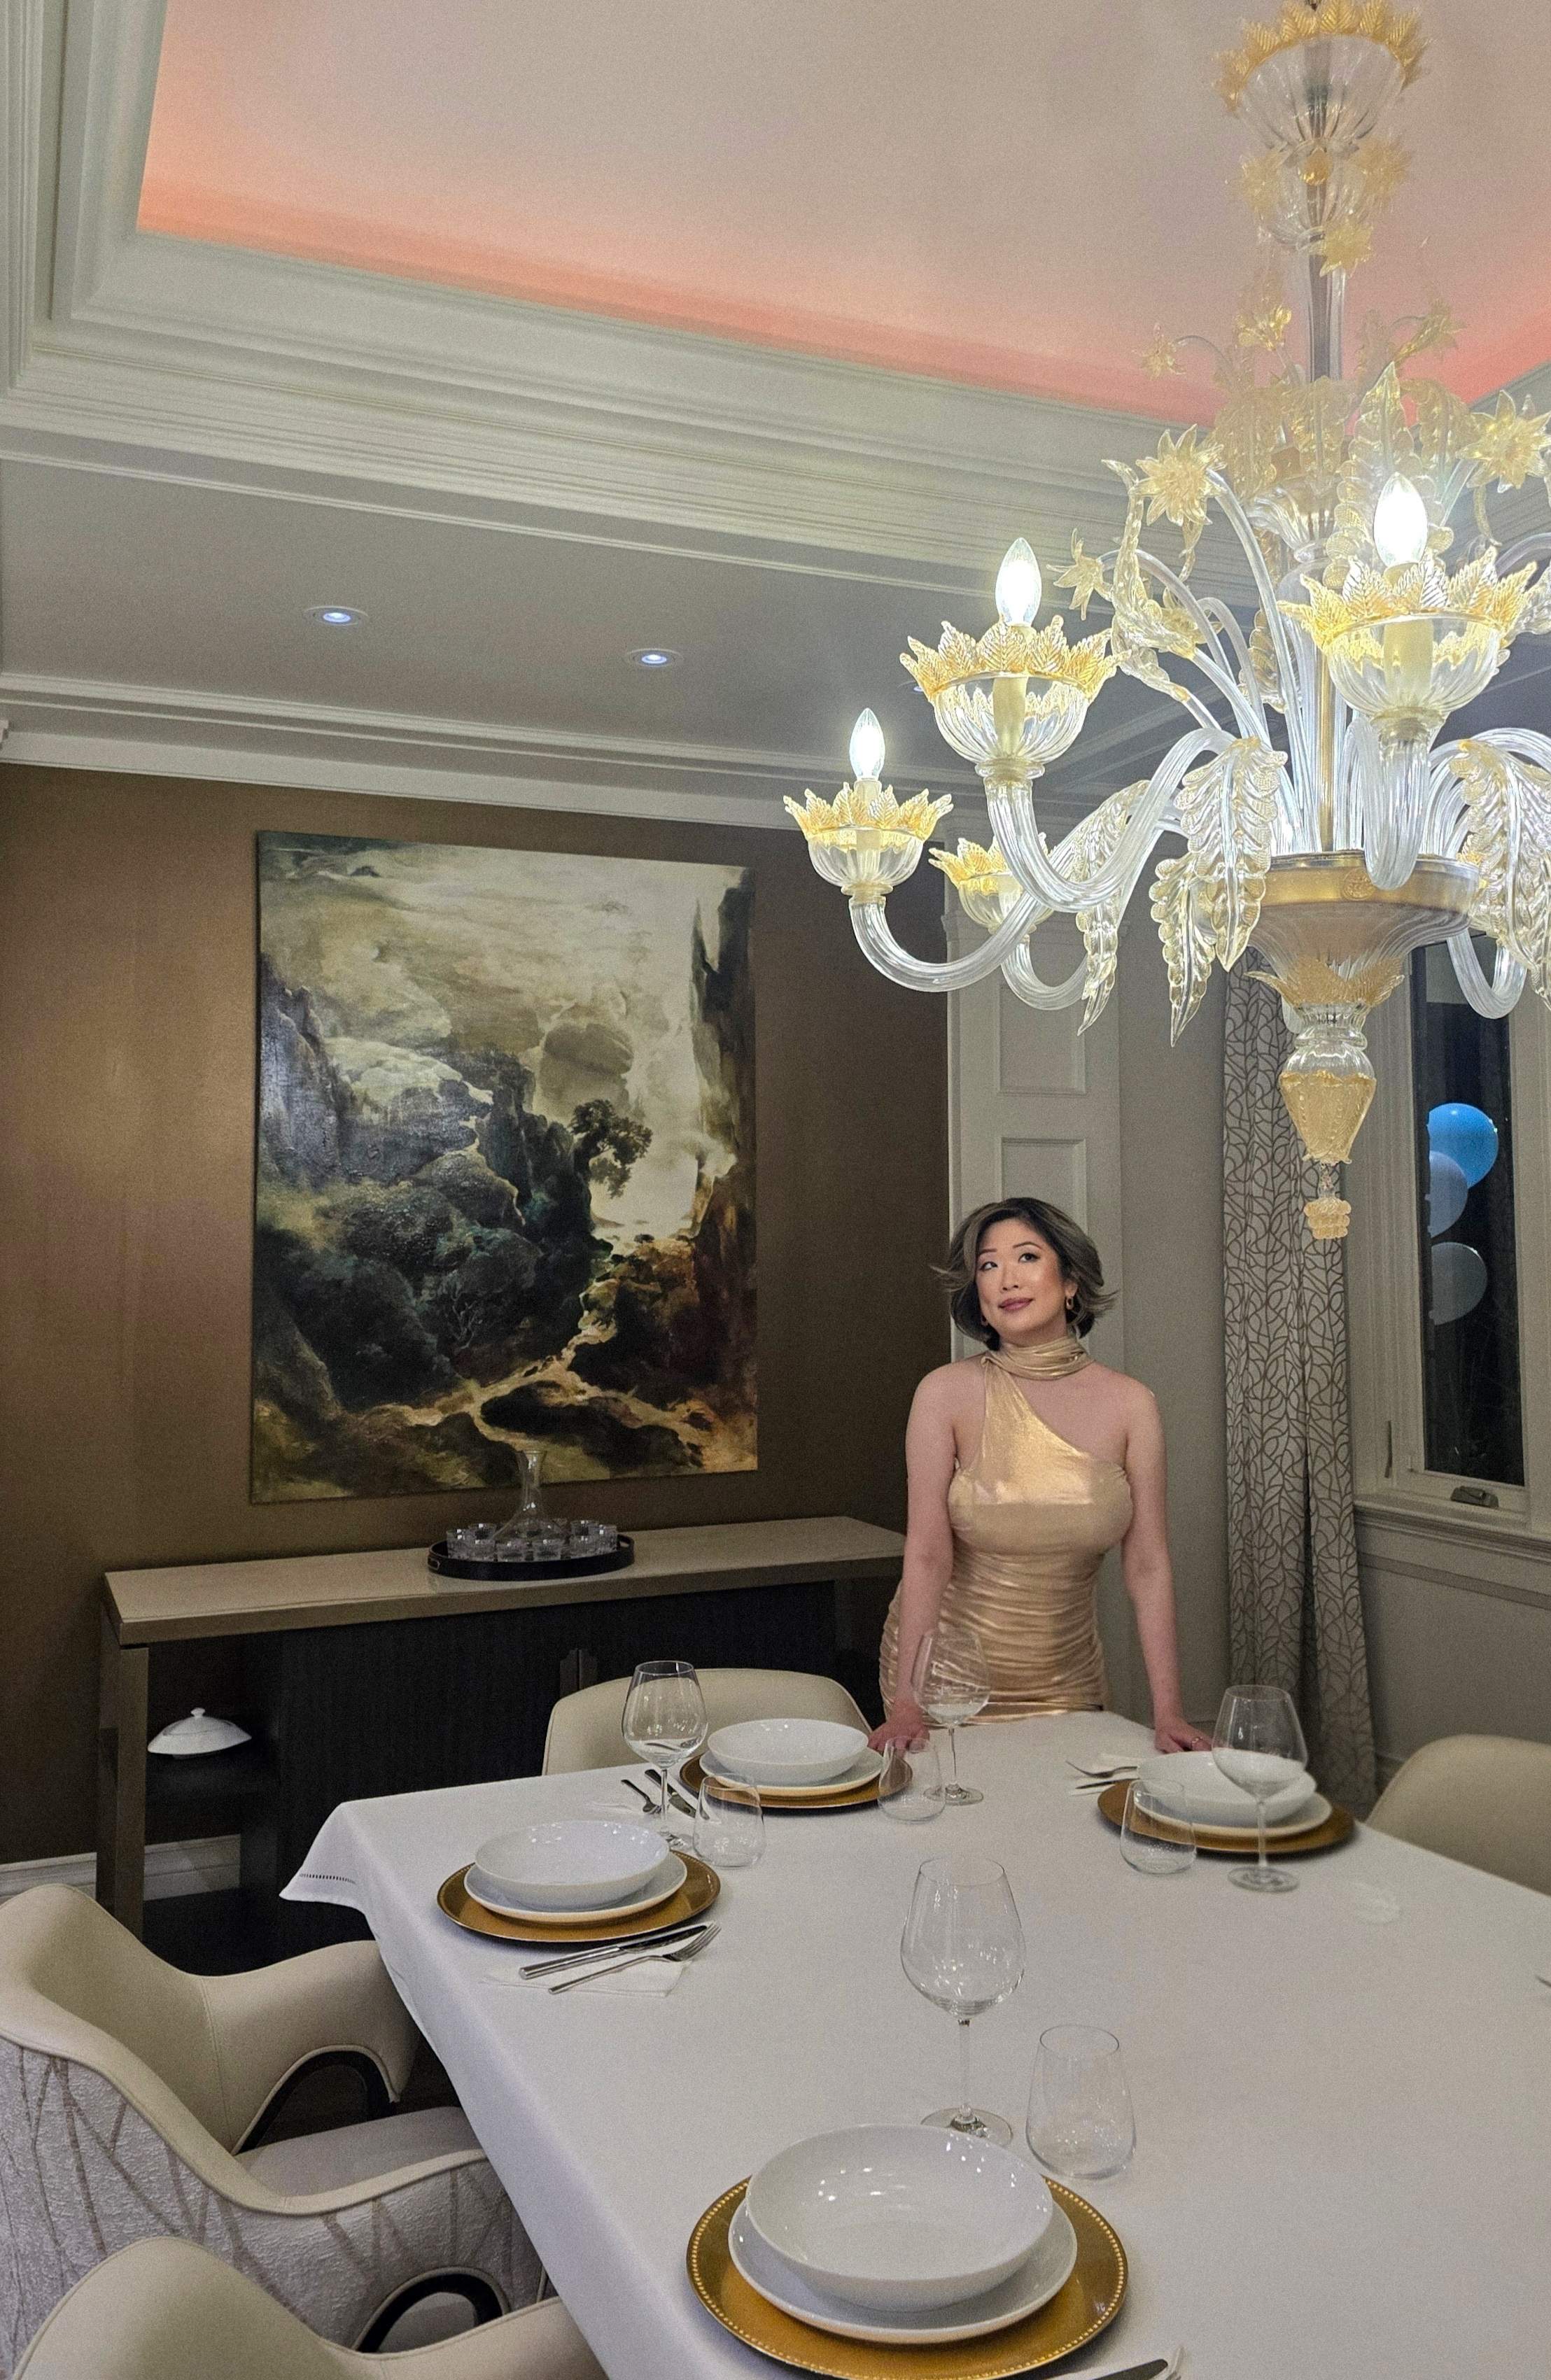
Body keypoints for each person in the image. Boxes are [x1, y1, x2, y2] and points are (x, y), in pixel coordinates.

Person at [873, 1196, 1207, 1754]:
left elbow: (1147, 1563)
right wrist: (909, 1700)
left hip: (1068, 1683)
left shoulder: (1132, 1406)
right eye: (988, 1264)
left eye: (1027, 1257)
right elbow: (929, 1554)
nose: (1006, 1278)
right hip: (946, 1686)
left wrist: (1168, 1711)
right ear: (977, 1292)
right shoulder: (945, 1394)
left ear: (1070, 1280)